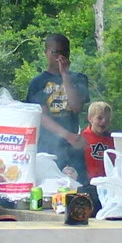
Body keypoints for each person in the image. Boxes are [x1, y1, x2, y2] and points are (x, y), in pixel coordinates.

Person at [24, 33, 91, 176]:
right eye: (56, 52)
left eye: (65, 52)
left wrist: (65, 75)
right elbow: (41, 116)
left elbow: (76, 107)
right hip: (47, 147)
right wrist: (67, 135)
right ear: (46, 53)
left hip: (72, 147)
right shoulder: (38, 82)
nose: (60, 56)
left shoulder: (79, 79)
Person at [80, 100, 118, 181]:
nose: (104, 121)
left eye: (107, 119)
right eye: (99, 118)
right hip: (89, 182)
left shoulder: (112, 139)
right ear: (90, 118)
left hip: (108, 182)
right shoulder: (82, 137)